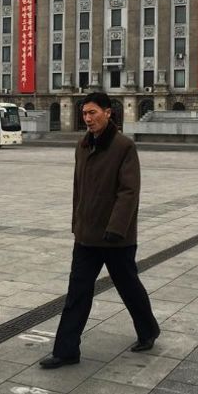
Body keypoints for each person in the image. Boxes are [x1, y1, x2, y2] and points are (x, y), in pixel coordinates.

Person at [40, 92, 159, 369]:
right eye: (84, 114)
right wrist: (76, 223)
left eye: (92, 113)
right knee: (77, 294)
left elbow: (129, 192)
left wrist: (117, 228)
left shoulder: (124, 147)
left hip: (115, 238)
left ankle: (148, 330)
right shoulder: (82, 146)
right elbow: (78, 190)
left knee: (129, 287)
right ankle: (66, 351)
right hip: (86, 237)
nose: (88, 119)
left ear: (108, 113)